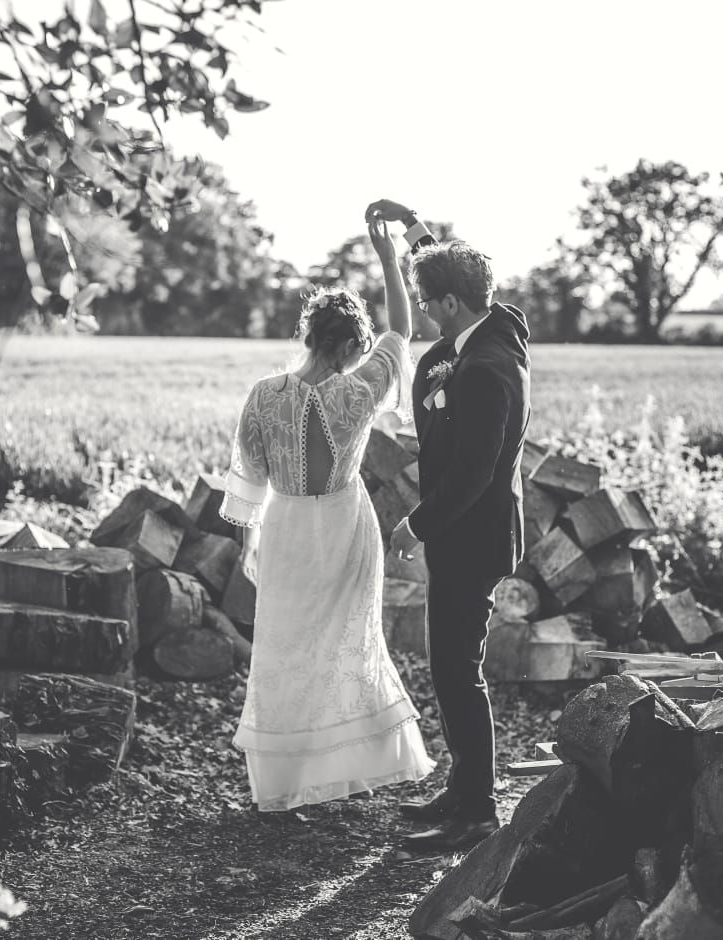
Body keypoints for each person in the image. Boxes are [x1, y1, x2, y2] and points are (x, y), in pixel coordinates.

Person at [219, 219, 434, 812]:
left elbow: (251, 476)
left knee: (285, 648)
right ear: (346, 348)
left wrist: (250, 541)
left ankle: (287, 780)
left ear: (311, 336)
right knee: (345, 643)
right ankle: (341, 766)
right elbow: (402, 328)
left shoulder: (264, 394)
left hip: (286, 527)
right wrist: (388, 257)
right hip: (343, 527)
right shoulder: (358, 390)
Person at [365, 198, 532, 853]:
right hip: (467, 531)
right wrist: (413, 229)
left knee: (456, 670)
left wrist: (416, 524)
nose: (423, 311)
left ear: (452, 306)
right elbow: (455, 276)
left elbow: (472, 471)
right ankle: (464, 789)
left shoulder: (487, 369)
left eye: (426, 302)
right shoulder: (499, 323)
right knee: (450, 666)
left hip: (472, 534)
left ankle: (477, 812)